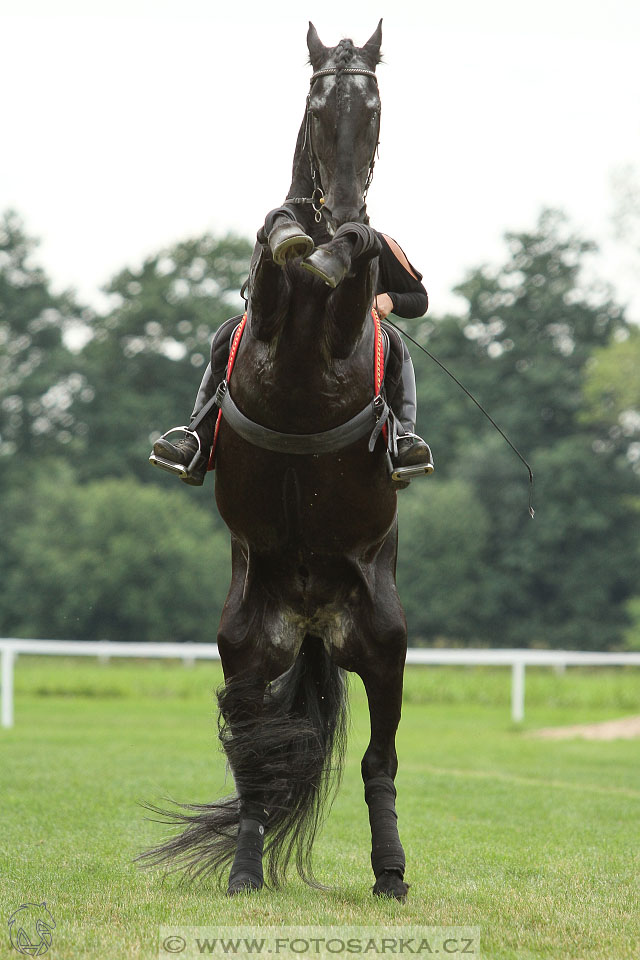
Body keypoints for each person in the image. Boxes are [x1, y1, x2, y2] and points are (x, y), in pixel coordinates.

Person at [150, 231, 433, 486]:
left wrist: (391, 300)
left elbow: (419, 299)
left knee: (395, 343)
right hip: (283, 342)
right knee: (230, 332)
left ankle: (403, 439)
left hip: (350, 350)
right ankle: (197, 439)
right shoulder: (287, 236)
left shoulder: (379, 244)